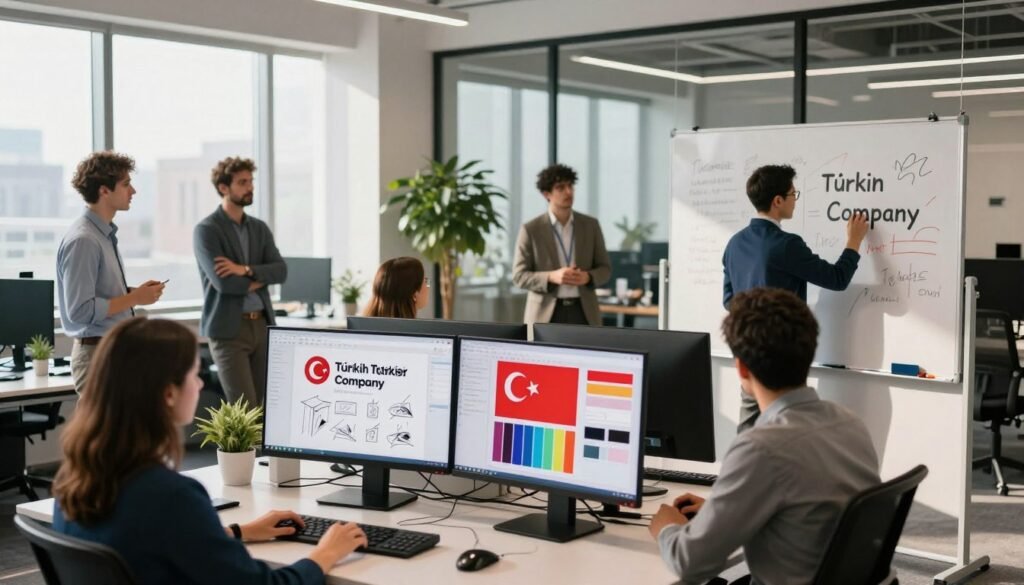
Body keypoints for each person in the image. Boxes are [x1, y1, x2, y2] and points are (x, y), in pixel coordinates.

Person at [51, 317, 367, 585]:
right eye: (194, 374)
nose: (200, 385)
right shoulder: (171, 496)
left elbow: (153, 541)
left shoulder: (76, 479)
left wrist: (238, 531)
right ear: (169, 393)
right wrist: (326, 552)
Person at [648, 288, 880, 584]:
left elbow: (689, 563)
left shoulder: (761, 449)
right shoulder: (850, 424)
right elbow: (809, 507)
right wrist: (724, 512)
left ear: (741, 367)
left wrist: (667, 528)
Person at [722, 164, 869, 431]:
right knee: (785, 430)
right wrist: (854, 241)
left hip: (748, 354)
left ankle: (744, 471)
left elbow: (729, 300)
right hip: (783, 356)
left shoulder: (734, 243)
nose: (795, 201)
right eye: (793, 194)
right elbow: (837, 278)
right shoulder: (786, 245)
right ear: (778, 201)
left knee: (749, 431)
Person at [57, 151, 165, 392]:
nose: (133, 191)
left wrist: (131, 293)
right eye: (126, 184)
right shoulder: (84, 240)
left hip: (111, 351)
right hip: (96, 356)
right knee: (105, 431)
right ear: (104, 191)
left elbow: (98, 293)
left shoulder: (102, 235)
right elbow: (80, 311)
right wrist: (134, 299)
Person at [194, 157, 286, 407]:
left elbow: (281, 271)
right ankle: (243, 450)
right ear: (224, 188)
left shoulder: (259, 228)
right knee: (244, 407)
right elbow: (225, 285)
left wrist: (243, 269)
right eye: (242, 182)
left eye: (251, 181)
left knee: (264, 408)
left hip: (262, 325)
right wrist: (259, 279)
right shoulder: (207, 230)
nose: (250, 187)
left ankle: (257, 450)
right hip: (228, 331)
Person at [512, 163, 611, 326]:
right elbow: (519, 276)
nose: (569, 192)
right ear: (546, 194)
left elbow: (605, 269)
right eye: (560, 187)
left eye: (571, 186)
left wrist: (588, 277)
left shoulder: (590, 225)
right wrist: (551, 276)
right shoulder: (531, 229)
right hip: (545, 314)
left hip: (584, 312)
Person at [361, 257, 428, 318]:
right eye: (426, 281)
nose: (428, 285)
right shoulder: (416, 330)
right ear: (414, 294)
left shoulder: (360, 327)